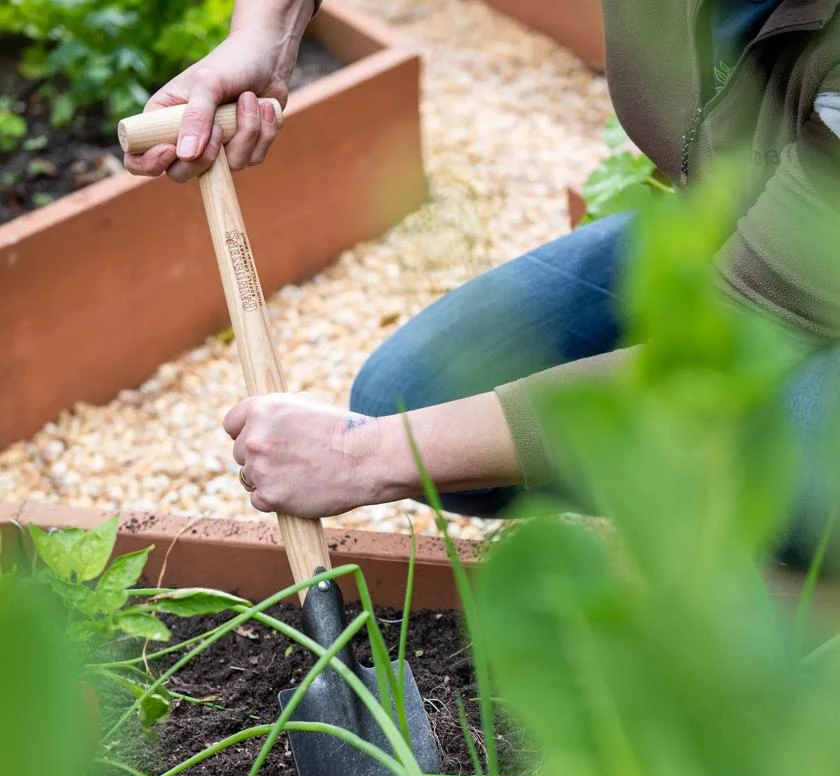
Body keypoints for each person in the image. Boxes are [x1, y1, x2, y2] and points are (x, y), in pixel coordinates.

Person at [126, 0, 840, 563]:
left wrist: (364, 456)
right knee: (413, 393)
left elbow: (729, 349)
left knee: (802, 475)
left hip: (796, 299)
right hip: (738, 235)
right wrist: (268, 35)